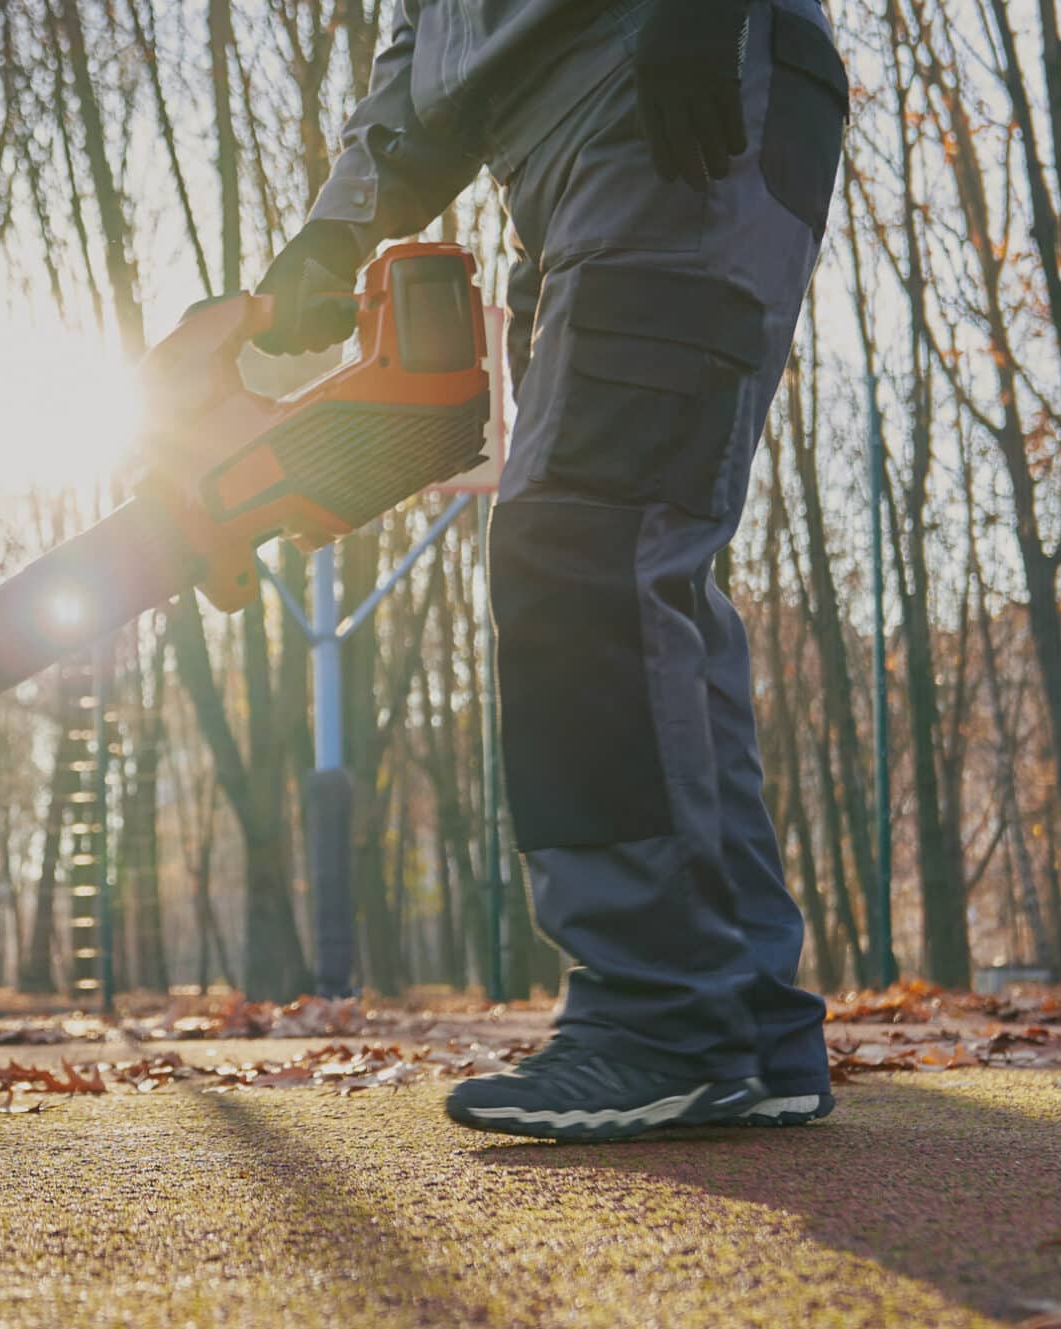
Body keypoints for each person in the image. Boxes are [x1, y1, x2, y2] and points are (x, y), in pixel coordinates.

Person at [256, 0, 849, 1141]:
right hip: (558, 150)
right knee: (635, 564)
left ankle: (660, 1017)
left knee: (582, 544)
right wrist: (332, 233)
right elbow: (432, 53)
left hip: (675, 88)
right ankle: (742, 1022)